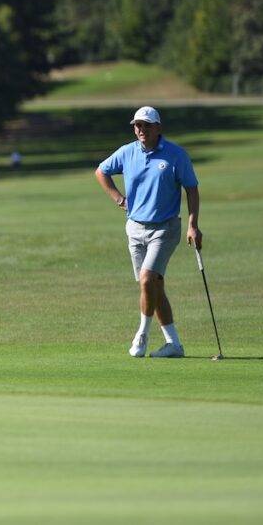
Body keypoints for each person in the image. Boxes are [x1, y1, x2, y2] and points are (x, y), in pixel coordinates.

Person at [95, 106, 201, 358]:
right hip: (134, 228)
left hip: (164, 229)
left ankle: (141, 334)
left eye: (146, 125)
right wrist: (119, 199)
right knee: (153, 287)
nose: (141, 130)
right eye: (137, 125)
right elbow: (101, 171)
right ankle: (174, 344)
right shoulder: (127, 152)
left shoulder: (175, 155)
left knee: (146, 280)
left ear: (158, 128)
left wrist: (193, 224)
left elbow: (192, 189)